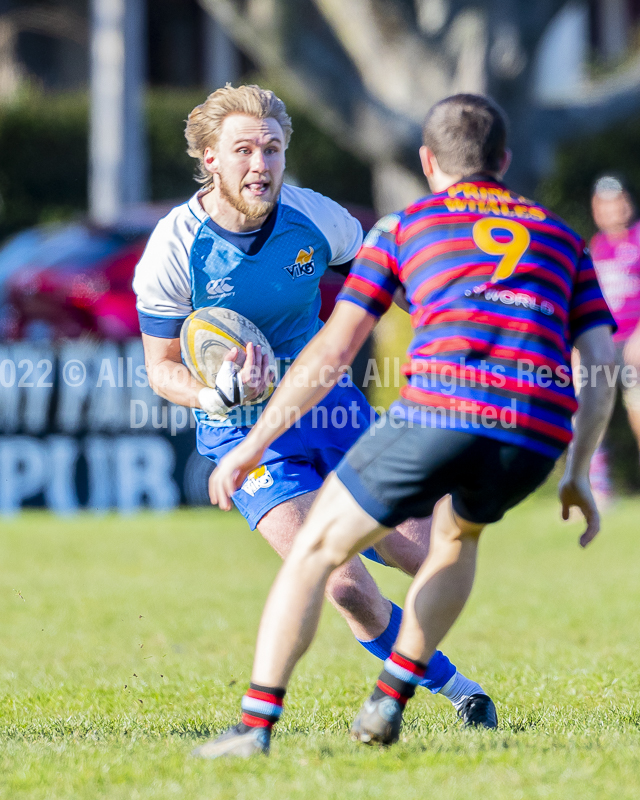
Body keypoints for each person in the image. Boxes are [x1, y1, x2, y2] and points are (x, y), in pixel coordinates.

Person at [201, 93, 617, 758]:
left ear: (428, 162)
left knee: (317, 555)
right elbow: (601, 358)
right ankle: (390, 698)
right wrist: (578, 472)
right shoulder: (562, 236)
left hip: (443, 410)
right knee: (457, 543)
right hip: (534, 434)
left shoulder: (403, 228)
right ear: (503, 162)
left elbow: (332, 352)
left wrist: (248, 445)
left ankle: (254, 729)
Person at [132, 84, 493, 732]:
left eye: (272, 149)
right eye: (243, 150)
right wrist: (217, 392)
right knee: (345, 584)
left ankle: (418, 673)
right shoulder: (172, 248)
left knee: (427, 551)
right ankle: (462, 693)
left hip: (332, 412)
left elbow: (394, 287)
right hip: (248, 436)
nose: (261, 164)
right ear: (210, 157)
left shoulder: (315, 219)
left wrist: (464, 337)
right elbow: (161, 371)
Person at [588, 176, 640, 506]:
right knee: (591, 409)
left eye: (619, 201)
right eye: (606, 204)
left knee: (637, 406)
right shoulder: (595, 247)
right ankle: (597, 490)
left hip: (636, 345)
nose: (615, 209)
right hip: (605, 345)